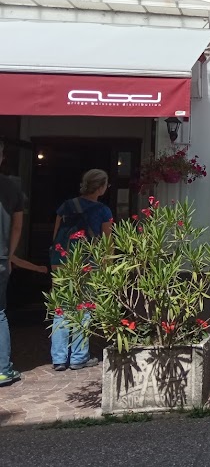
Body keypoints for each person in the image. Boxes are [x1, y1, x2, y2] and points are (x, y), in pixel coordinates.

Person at [50, 169, 113, 372]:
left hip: (61, 260)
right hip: (87, 262)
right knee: (83, 308)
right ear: (101, 187)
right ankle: (78, 357)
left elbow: (56, 236)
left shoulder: (66, 205)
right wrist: (107, 266)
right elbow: (107, 242)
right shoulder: (103, 211)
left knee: (61, 307)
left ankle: (59, 358)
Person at [0, 142, 41, 387]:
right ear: (2, 157)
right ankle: (3, 369)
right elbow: (17, 226)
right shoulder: (12, 186)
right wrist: (10, 254)